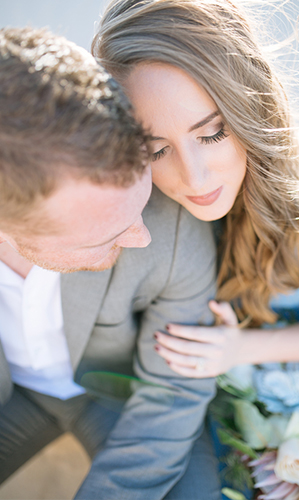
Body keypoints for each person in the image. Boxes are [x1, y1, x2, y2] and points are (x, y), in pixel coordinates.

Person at [0, 27, 221, 500]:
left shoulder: (174, 227)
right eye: (107, 234)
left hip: (124, 398)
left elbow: (172, 393)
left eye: (138, 205)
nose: (140, 236)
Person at [92, 0, 299, 390]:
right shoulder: (126, 197)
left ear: (252, 103)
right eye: (156, 150)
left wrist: (241, 349)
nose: (195, 180)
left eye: (212, 133)